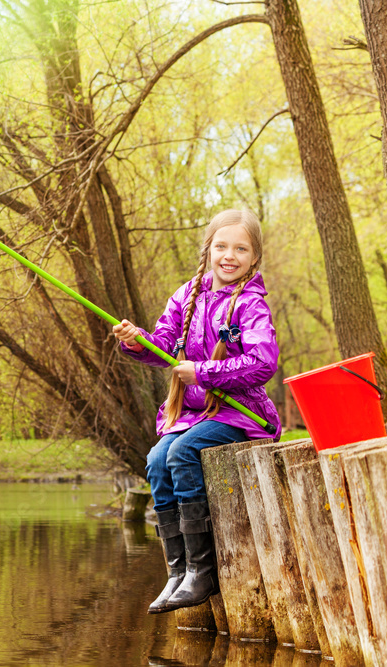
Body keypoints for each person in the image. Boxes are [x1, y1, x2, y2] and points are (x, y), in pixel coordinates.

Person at [112, 208, 280, 614]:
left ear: (254, 258)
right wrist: (136, 342)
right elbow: (164, 347)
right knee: (156, 459)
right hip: (192, 414)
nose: (229, 255)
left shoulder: (251, 306)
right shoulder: (187, 296)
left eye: (241, 248)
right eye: (221, 246)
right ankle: (177, 570)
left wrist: (203, 372)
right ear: (208, 248)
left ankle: (202, 573)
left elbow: (264, 362)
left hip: (239, 414)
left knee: (181, 453)